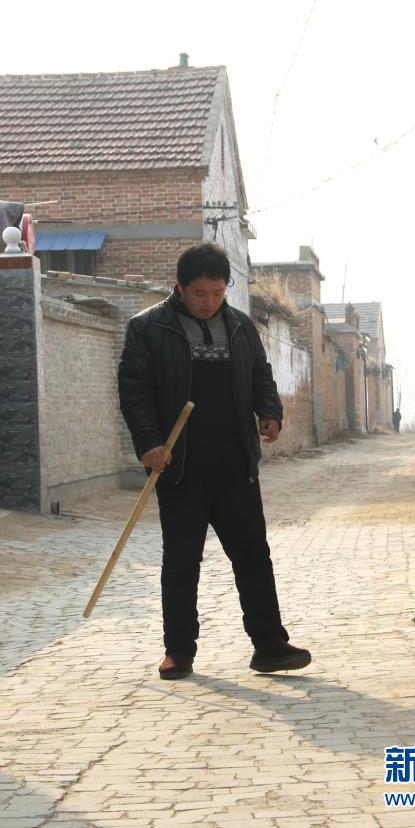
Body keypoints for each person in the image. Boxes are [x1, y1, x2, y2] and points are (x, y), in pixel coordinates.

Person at [118, 243, 311, 679]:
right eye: (199, 293)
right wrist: (149, 442)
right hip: (179, 464)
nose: (208, 302)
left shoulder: (240, 326)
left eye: (217, 293)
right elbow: (134, 391)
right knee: (182, 560)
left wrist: (270, 411)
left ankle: (270, 645)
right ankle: (178, 651)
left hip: (235, 462)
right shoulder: (148, 328)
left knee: (253, 554)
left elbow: (260, 374)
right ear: (180, 287)